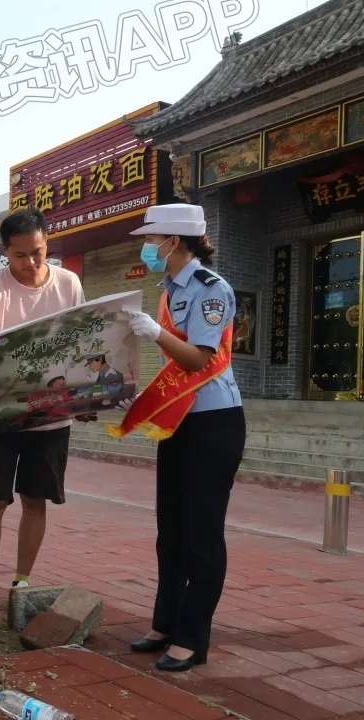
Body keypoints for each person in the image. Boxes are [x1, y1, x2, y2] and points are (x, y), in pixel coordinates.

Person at [115, 203, 245, 672]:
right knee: (169, 530)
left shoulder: (212, 290)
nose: (147, 247)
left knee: (201, 535)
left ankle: (193, 637)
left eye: (152, 239)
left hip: (214, 424)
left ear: (174, 240)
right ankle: (165, 622)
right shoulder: (169, 289)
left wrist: (152, 333)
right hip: (180, 422)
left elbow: (196, 359)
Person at [0, 208, 92, 632]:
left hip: (51, 417)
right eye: (21, 256)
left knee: (36, 500)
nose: (31, 263)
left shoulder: (68, 283)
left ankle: (21, 585)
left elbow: (83, 337)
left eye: (37, 253)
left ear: (47, 244)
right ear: (5, 253)